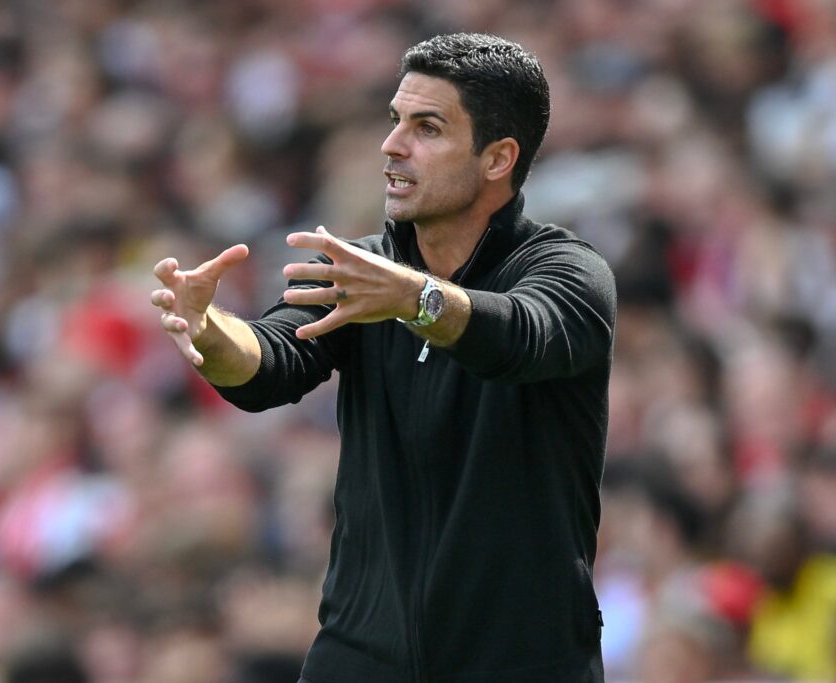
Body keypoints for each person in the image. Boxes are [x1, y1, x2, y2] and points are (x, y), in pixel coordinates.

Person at [151, 33, 616, 683]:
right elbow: (269, 365)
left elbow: (520, 337)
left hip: (522, 661)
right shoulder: (363, 269)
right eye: (395, 121)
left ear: (498, 158)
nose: (392, 146)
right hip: (360, 655)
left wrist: (413, 297)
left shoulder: (568, 272)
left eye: (427, 128)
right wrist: (207, 329)